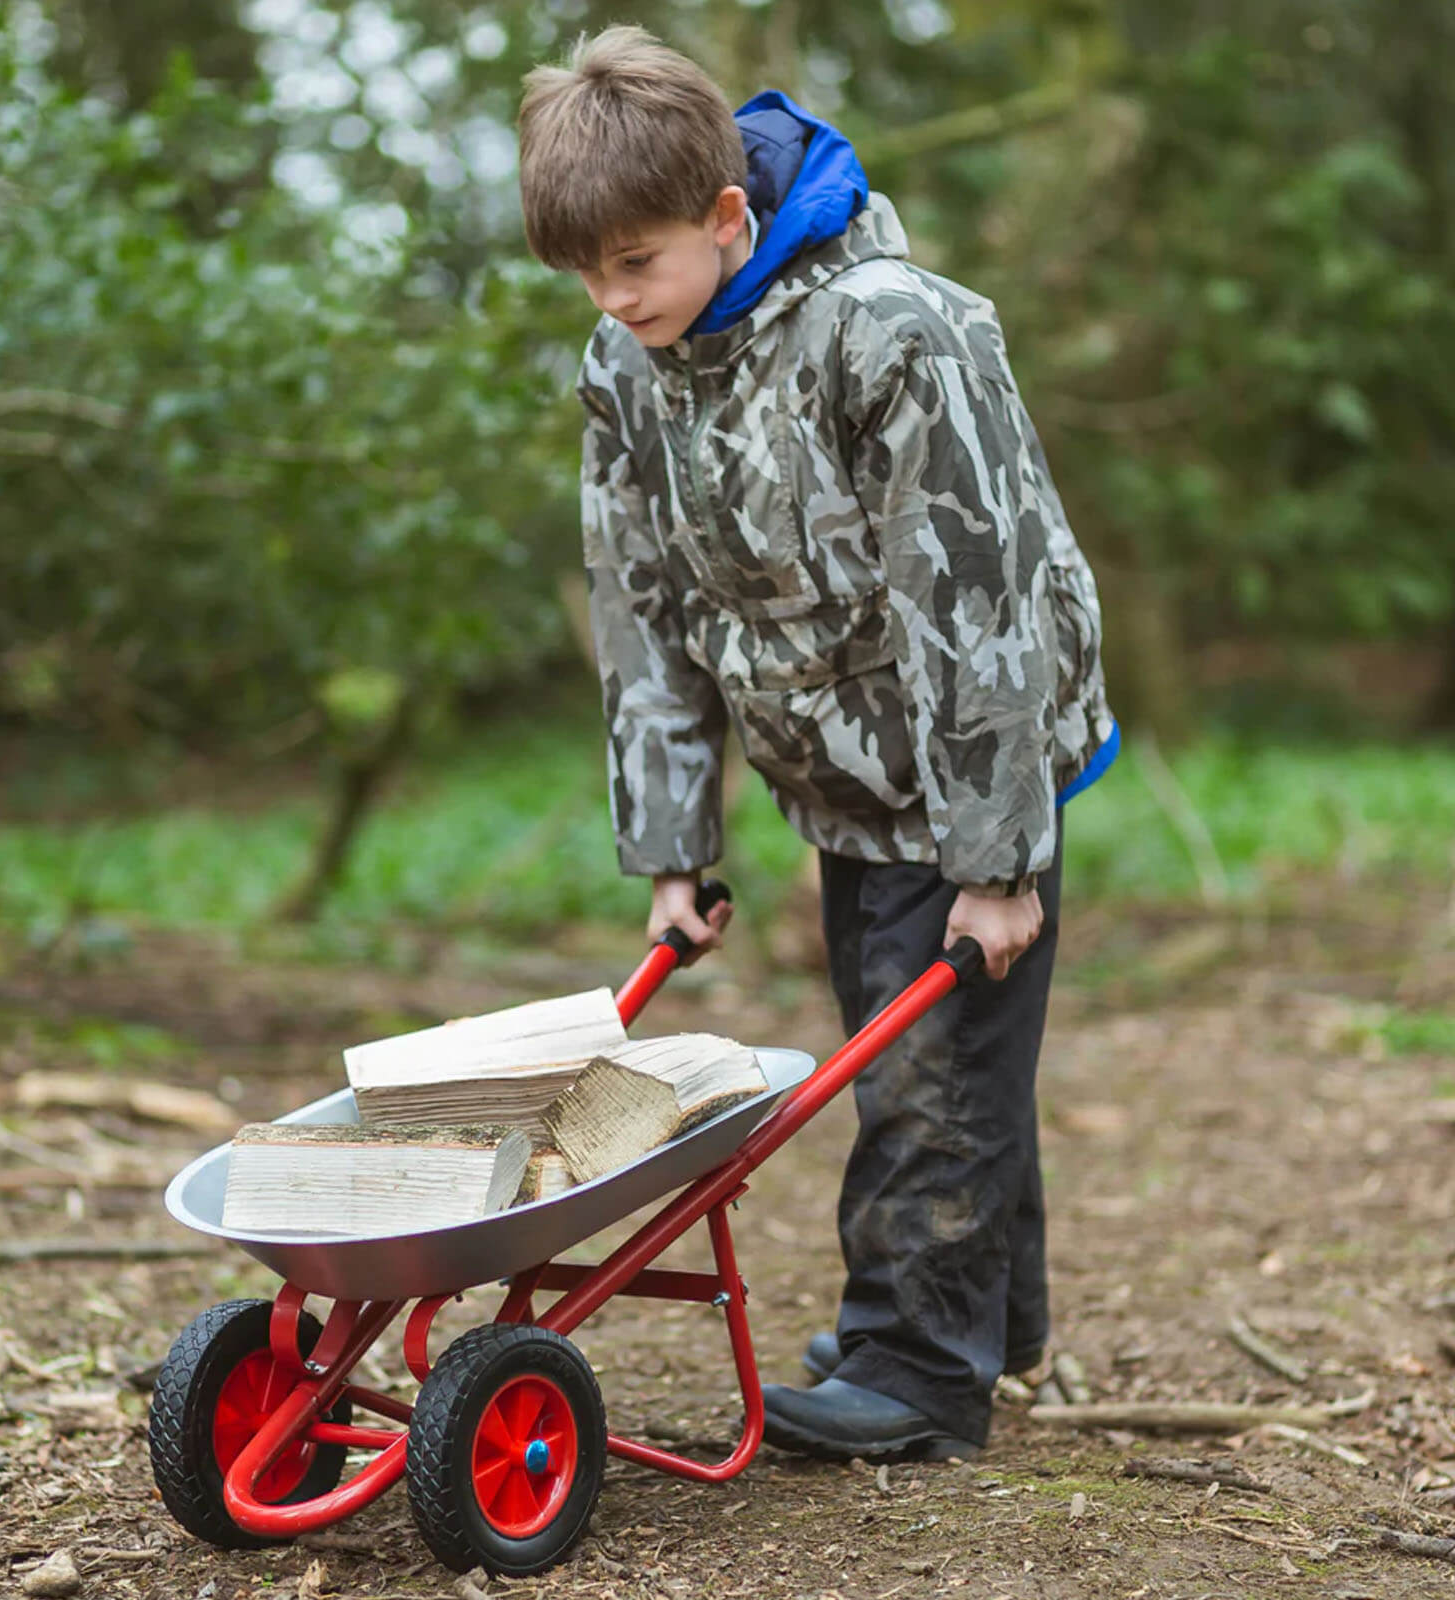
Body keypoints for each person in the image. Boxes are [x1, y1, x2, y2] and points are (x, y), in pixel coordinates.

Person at [516, 26, 1118, 1462]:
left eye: (637, 262)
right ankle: (991, 1318)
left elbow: (975, 601)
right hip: (836, 758)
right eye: (587, 273)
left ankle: (919, 1370)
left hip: (974, 743)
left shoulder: (895, 330)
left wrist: (998, 860)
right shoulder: (632, 361)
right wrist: (675, 846)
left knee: (931, 1065)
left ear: (729, 217)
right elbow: (643, 601)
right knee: (934, 1046)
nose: (612, 299)